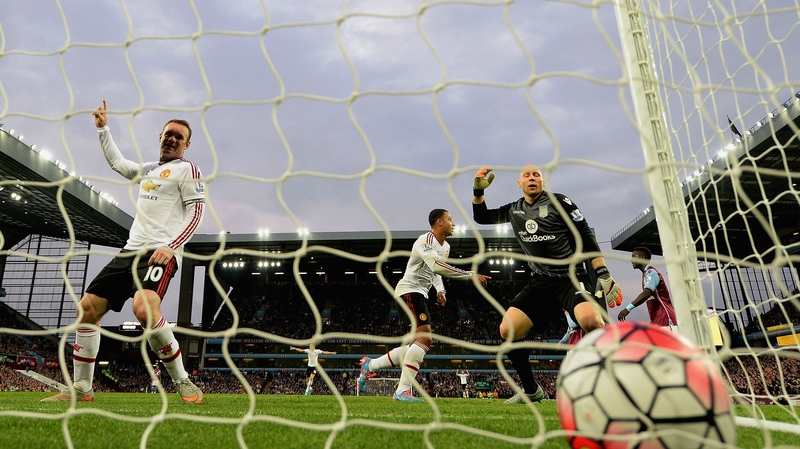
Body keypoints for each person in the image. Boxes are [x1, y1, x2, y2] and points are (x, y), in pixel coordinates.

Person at [43, 100, 206, 404]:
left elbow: (196, 214)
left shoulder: (188, 169)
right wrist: (103, 129)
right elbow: (118, 163)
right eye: (168, 133)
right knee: (87, 309)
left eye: (178, 137)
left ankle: (183, 381)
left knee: (144, 310)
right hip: (129, 251)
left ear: (186, 145)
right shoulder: (148, 170)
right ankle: (82, 388)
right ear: (160, 136)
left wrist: (170, 248)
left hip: (158, 252)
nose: (172, 138)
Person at [471, 165, 621, 404]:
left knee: (592, 322)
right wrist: (478, 193)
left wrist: (602, 272)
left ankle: (615, 383)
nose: (532, 178)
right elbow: (481, 217)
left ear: (542, 181)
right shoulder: (515, 210)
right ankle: (531, 390)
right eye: (527, 175)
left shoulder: (560, 202)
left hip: (570, 278)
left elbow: (586, 236)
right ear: (519, 184)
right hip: (541, 282)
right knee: (507, 330)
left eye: (537, 175)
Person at [359, 209, 490, 402]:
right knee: (425, 338)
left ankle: (370, 366)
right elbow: (436, 265)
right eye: (449, 219)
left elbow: (435, 271)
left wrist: (440, 290)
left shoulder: (445, 247)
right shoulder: (425, 240)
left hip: (419, 293)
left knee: (416, 344)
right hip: (409, 291)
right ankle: (402, 391)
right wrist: (470, 275)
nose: (453, 223)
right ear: (439, 222)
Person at [617, 246, 678, 331]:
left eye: (634, 257)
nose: (631, 260)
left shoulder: (651, 272)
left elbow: (646, 293)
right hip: (657, 322)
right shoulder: (645, 274)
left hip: (666, 320)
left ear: (642, 258)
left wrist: (628, 308)